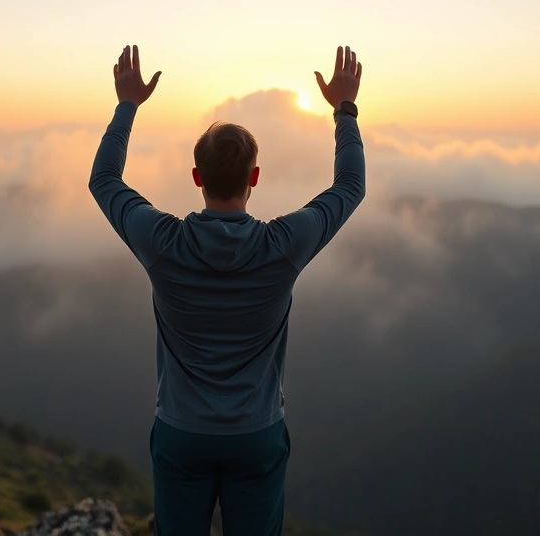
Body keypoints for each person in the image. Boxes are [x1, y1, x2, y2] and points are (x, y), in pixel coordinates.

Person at [89, 44, 365, 536]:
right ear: (254, 178)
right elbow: (349, 187)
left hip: (181, 433)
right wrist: (344, 110)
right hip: (256, 436)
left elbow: (104, 180)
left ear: (197, 178)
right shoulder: (282, 246)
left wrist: (127, 105)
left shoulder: (162, 243)